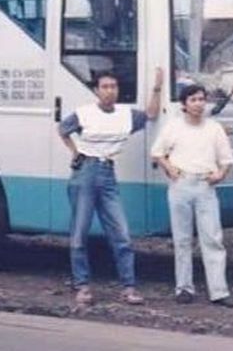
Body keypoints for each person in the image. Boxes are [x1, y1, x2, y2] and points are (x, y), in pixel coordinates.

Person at [58, 68, 164, 306]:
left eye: (113, 87)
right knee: (79, 233)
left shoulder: (126, 115)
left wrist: (157, 87)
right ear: (96, 91)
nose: (109, 91)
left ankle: (128, 287)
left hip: (108, 174)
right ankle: (82, 286)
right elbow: (63, 130)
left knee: (122, 234)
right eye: (105, 87)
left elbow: (151, 114)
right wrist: (75, 151)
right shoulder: (84, 113)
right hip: (84, 172)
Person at [150, 84, 233, 308]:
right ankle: (184, 288)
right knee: (182, 239)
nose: (199, 104)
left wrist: (220, 175)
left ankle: (219, 291)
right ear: (184, 104)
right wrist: (169, 168)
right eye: (194, 100)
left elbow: (226, 159)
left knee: (212, 238)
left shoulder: (214, 128)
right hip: (181, 185)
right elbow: (157, 152)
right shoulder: (174, 127)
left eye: (202, 99)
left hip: (205, 186)